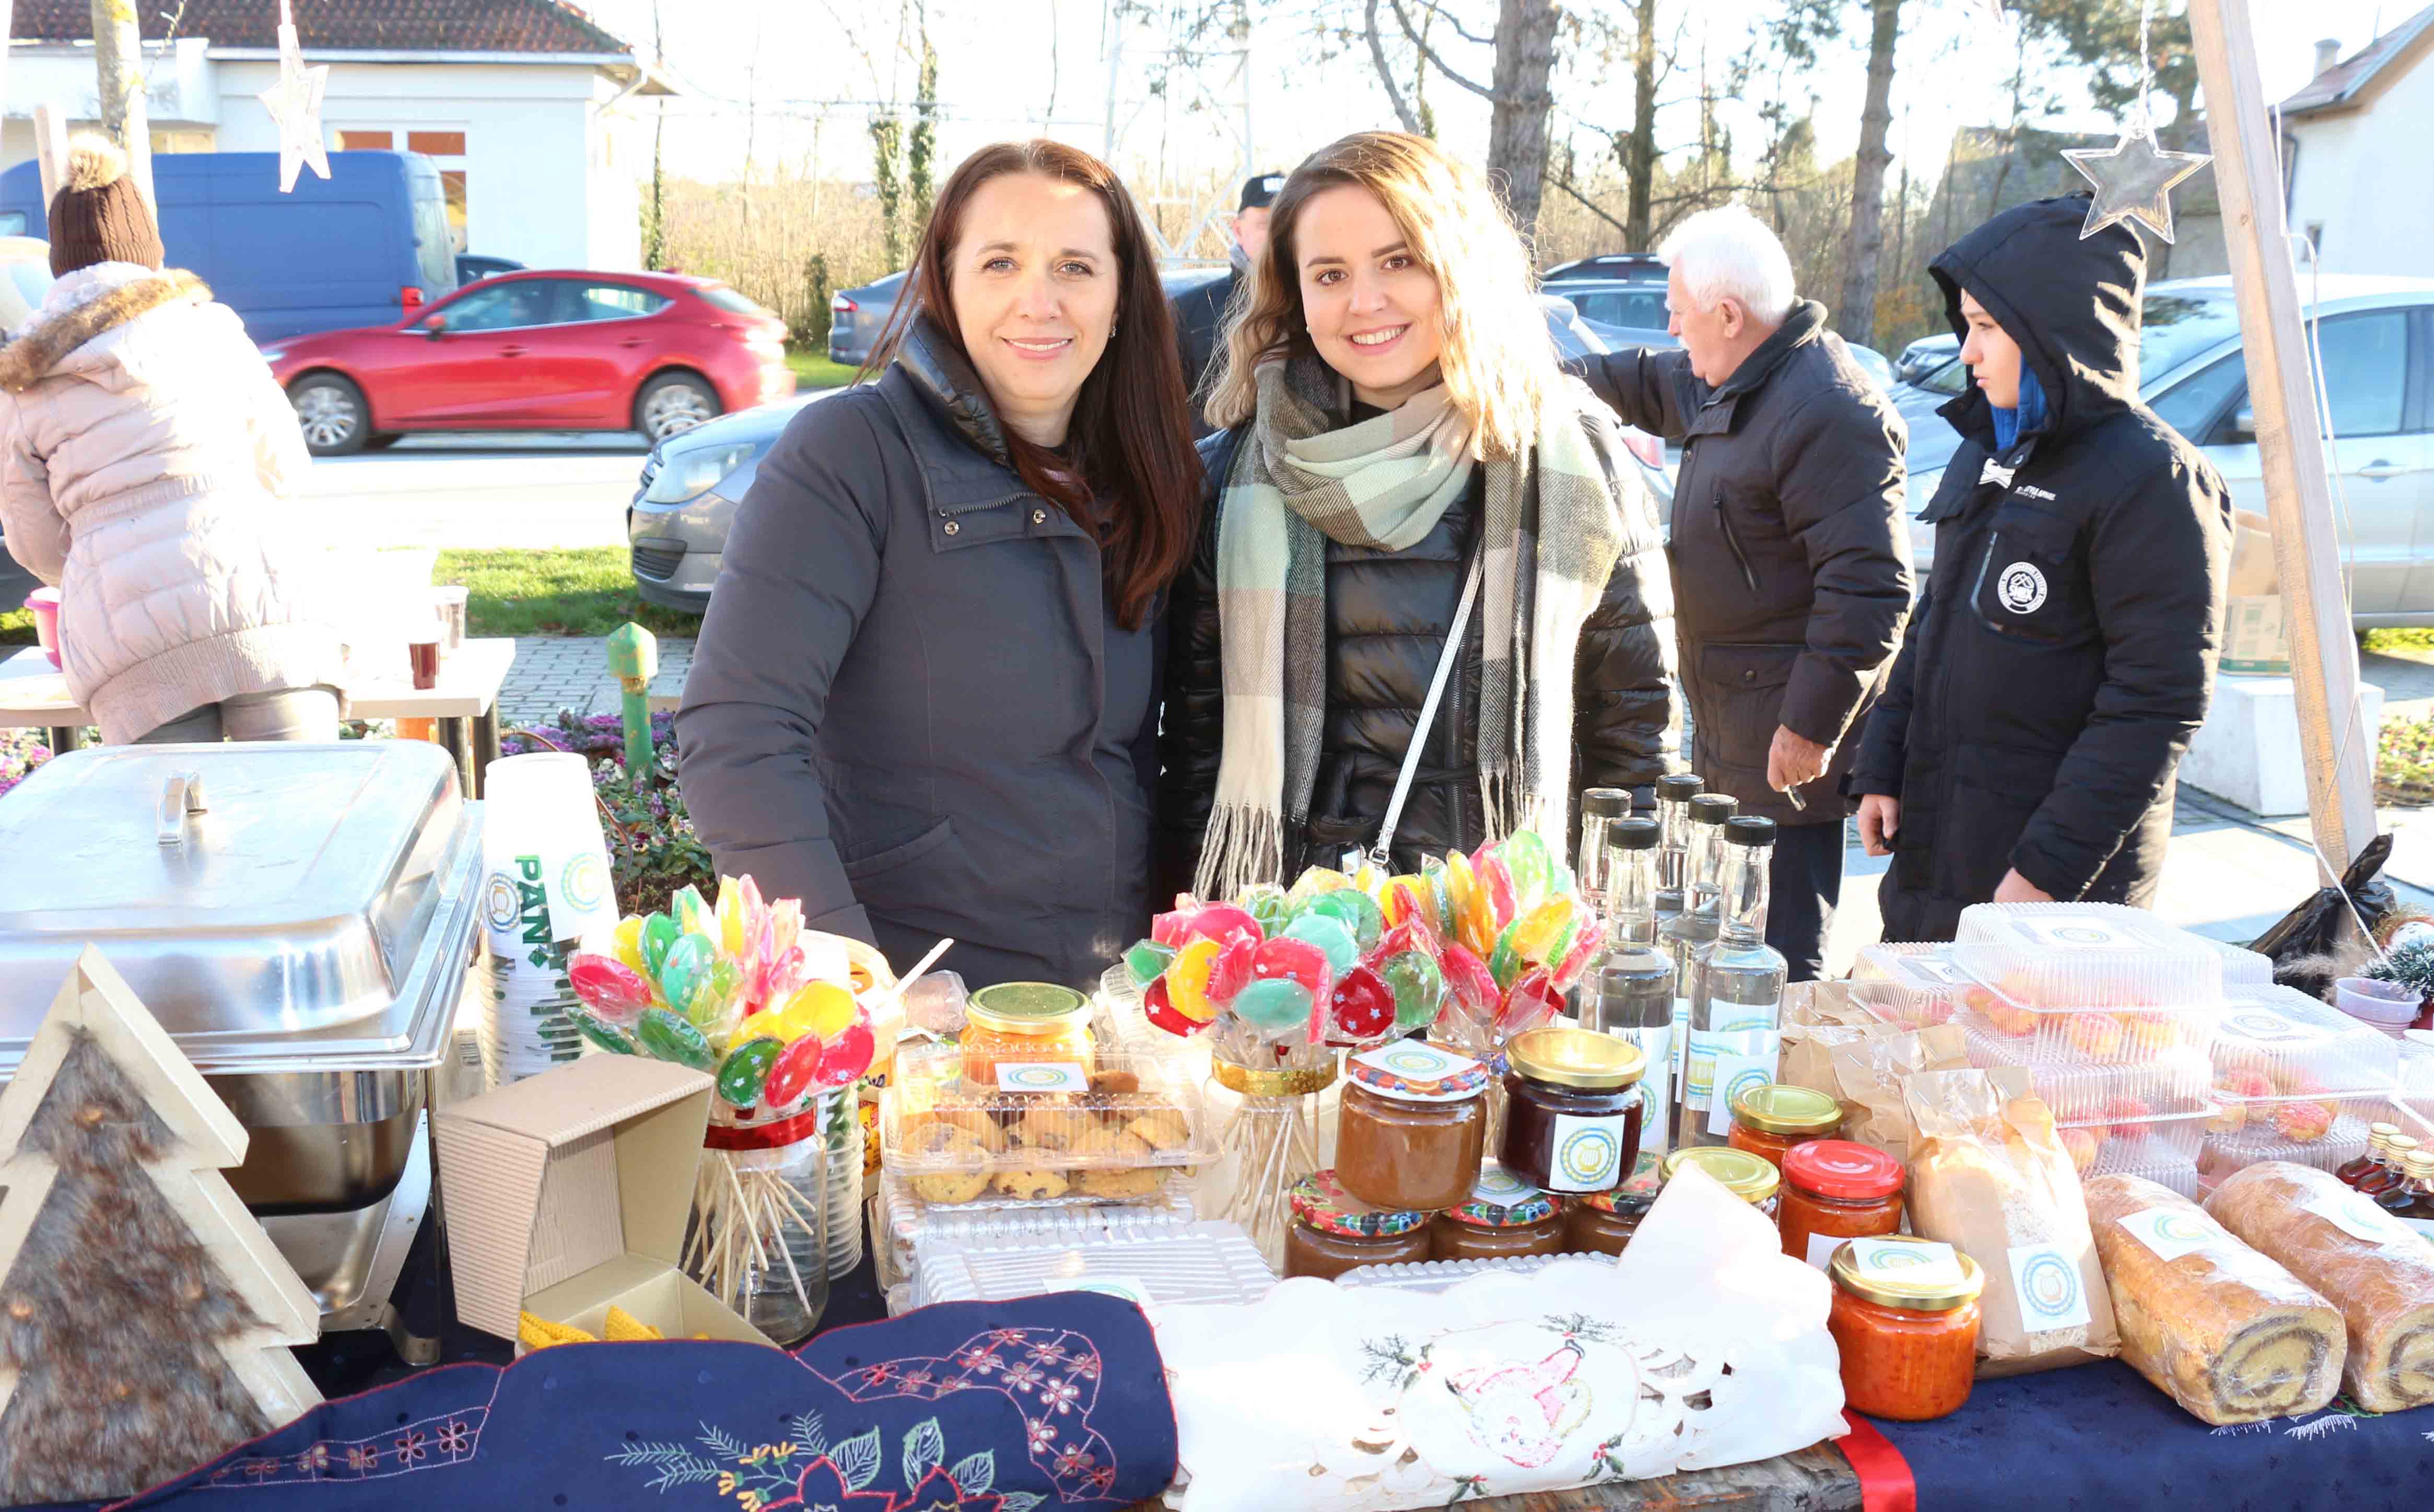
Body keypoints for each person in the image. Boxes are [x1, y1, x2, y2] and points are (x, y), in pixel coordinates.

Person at [677, 140, 1201, 990]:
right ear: (945, 284)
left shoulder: (1145, 474)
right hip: (923, 1005)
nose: (1040, 301)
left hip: (1111, 1008)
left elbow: (1148, 756)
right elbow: (738, 735)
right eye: (1001, 263)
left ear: (1120, 296)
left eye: (1075, 265)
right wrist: (854, 980)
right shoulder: (851, 454)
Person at [1159, 131, 1678, 899]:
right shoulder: (1236, 476)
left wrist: (1613, 934)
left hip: (1501, 947)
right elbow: (1199, 756)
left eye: (1399, 260)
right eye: (1330, 273)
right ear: (1293, 291)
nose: (1364, 302)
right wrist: (1217, 940)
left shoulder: (1570, 458)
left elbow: (1632, 739)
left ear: (1459, 267)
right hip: (1297, 948)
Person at [1849, 195, 2232, 940]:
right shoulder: (1992, 446)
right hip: (1940, 856)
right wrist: (1882, 762)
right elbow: (1936, 622)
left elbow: (2157, 701)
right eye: (1967, 325)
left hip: (2050, 897)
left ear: (2053, 333)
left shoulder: (2155, 481)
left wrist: (2046, 873)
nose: (1967, 350)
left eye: (1988, 328)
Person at [1579, 204, 1910, 983]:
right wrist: (1526, 373)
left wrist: (1809, 726)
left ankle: (1778, 1089)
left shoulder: (1827, 409)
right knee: (1726, 934)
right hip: (1732, 719)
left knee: (1775, 954)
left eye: (1681, 314)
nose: (1674, 331)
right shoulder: (1736, 375)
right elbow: (1637, 378)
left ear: (1729, 315)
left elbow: (1870, 589)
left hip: (1782, 746)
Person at [0, 135, 345, 746]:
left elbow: (35, 544)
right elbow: (287, 472)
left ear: (59, 265)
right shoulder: (213, 333)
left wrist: (106, 549)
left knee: (174, 829)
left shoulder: (24, 387)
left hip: (129, 639)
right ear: (149, 255)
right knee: (303, 810)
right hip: (265, 602)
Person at [1172, 171, 1283, 436]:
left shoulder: (1324, 308)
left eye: (1288, 223)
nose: (1279, 236)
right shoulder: (1187, 311)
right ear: (1238, 230)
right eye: (1266, 224)